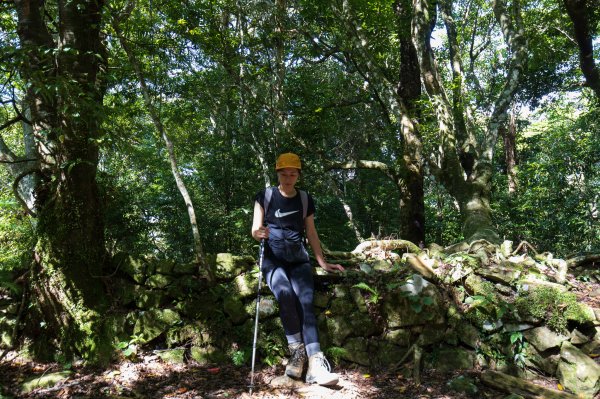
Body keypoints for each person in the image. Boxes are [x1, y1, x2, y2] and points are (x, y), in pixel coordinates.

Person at [251, 152, 344, 386]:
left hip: (299, 259)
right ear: (277, 173)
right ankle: (297, 353)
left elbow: (311, 232)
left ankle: (315, 361)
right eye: (284, 173)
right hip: (272, 259)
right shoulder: (265, 196)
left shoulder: (304, 199)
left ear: (299, 175)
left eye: (293, 173)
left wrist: (321, 261)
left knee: (305, 301)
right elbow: (255, 229)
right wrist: (258, 233)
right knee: (284, 294)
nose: (288, 177)